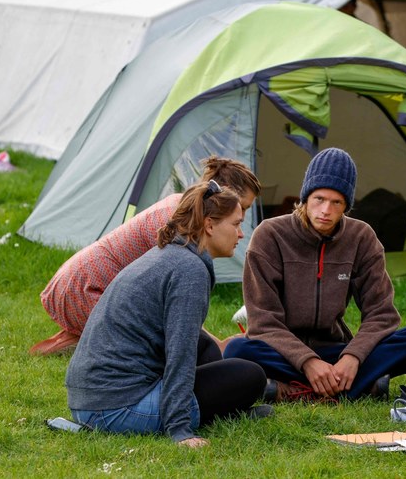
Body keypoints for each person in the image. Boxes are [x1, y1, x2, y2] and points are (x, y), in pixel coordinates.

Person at [65, 181, 269, 447]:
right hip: (115, 409)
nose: (241, 234)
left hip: (89, 401)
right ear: (209, 225)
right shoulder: (189, 270)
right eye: (236, 224)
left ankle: (224, 410)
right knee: (250, 376)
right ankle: (201, 414)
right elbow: (179, 353)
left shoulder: (169, 254)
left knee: (206, 347)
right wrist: (180, 430)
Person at [224, 148, 406, 401]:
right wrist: (308, 362)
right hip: (283, 352)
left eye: (337, 202)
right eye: (319, 199)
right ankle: (356, 387)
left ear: (347, 205)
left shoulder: (361, 237)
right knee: (237, 350)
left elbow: (382, 314)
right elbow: (263, 321)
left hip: (336, 350)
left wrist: (352, 357)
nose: (326, 210)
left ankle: (294, 391)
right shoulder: (269, 235)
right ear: (305, 197)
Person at [31, 156, 261, 356]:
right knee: (151, 341)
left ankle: (78, 338)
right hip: (85, 288)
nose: (242, 217)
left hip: (79, 281)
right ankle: (90, 337)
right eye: (242, 207)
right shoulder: (180, 226)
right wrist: (217, 345)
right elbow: (174, 310)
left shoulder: (184, 209)